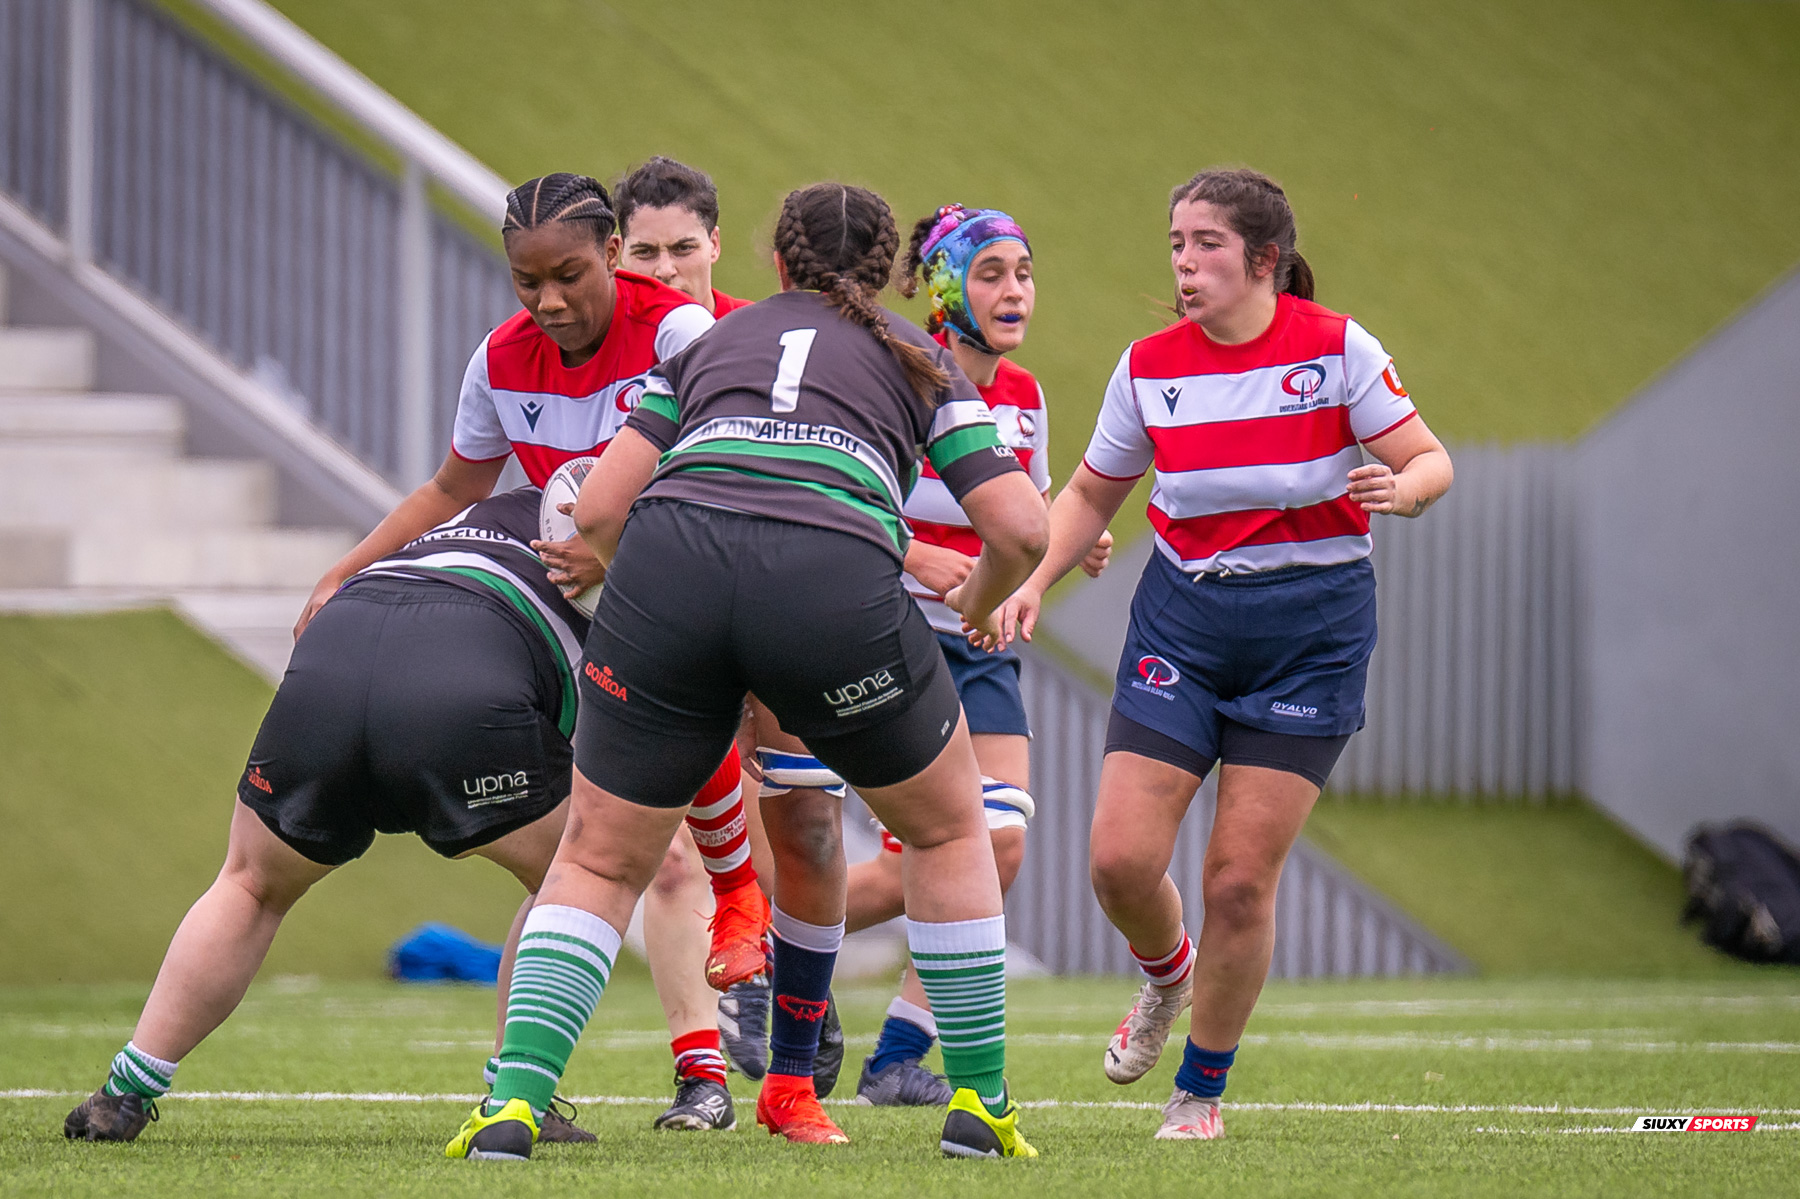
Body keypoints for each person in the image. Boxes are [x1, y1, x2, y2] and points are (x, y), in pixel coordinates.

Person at [444, 182, 1049, 1162]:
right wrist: (981, 600)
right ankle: (980, 1101)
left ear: (774, 261)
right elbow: (1022, 528)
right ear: (888, 273)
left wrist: (656, 601)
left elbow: (597, 512)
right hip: (830, 588)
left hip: (668, 577)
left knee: (597, 858)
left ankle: (512, 1104)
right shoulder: (919, 355)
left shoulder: (704, 344)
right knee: (947, 829)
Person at [993, 168, 1453, 1142]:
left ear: (1264, 259)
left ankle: (1199, 1091)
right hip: (1185, 623)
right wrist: (1031, 582)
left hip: (1312, 633)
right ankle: (1168, 974)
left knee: (1239, 878)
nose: (1185, 263)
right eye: (1176, 243)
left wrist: (1404, 490)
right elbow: (1090, 493)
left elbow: (1430, 458)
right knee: (1120, 861)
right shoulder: (1149, 366)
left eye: (1206, 243)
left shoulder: (1337, 348)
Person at [294, 171, 759, 1131]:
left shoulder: (684, 335)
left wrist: (617, 543)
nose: (547, 299)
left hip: (682, 605)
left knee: (710, 834)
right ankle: (565, 1081)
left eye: (568, 275)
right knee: (611, 858)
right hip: (584, 634)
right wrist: (346, 567)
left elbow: (729, 476)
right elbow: (452, 486)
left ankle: (738, 1046)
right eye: (526, 280)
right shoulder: (503, 356)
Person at [61, 487, 679, 1143]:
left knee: (249, 884)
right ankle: (518, 1094)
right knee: (580, 874)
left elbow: (450, 485)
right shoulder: (650, 555)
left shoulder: (488, 511)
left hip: (339, 646)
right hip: (465, 667)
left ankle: (122, 1092)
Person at [841, 204, 1112, 1106]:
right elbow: (843, 501)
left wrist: (1071, 544)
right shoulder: (900, 374)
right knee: (922, 859)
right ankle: (770, 939)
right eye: (991, 272)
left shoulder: (1025, 394)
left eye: (1024, 272)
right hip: (892, 636)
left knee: (1000, 847)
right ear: (947, 287)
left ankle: (894, 1059)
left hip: (981, 645)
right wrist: (918, 556)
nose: (1014, 290)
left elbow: (1029, 515)